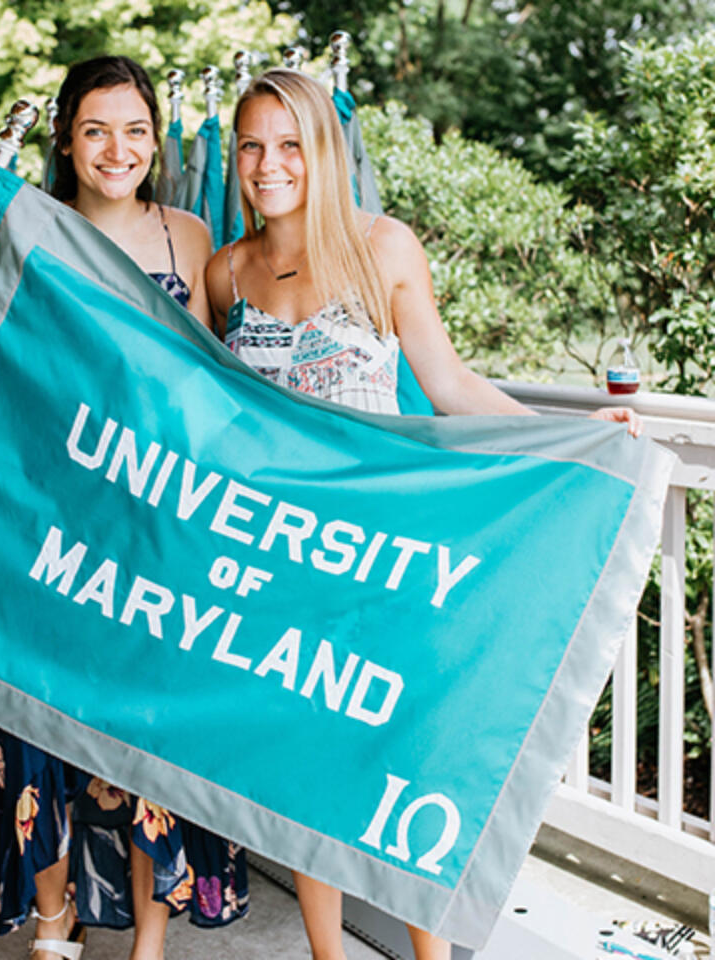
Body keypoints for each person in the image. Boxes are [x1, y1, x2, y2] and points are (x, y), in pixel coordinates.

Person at [205, 67, 641, 960]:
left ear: (322, 152)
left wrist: (569, 433)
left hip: (383, 553)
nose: (268, 163)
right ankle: (328, 954)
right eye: (251, 144)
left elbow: (447, 387)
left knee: (402, 759)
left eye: (289, 144)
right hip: (285, 559)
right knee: (306, 766)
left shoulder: (383, 248)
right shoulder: (225, 272)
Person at [0, 56, 248, 960]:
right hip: (46, 527)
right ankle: (52, 920)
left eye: (135, 130)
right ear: (66, 143)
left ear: (157, 139)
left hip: (160, 534)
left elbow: (243, 385)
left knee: (145, 740)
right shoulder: (21, 230)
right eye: (94, 130)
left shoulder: (190, 241)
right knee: (30, 727)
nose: (117, 149)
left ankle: (148, 941)